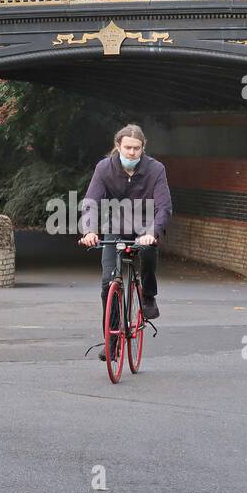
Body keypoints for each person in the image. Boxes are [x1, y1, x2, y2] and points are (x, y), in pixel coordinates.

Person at [78, 124, 172, 359]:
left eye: (137, 148)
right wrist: (89, 230)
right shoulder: (104, 168)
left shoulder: (155, 169)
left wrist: (153, 231)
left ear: (143, 148)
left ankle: (148, 295)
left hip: (145, 226)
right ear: (118, 146)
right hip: (116, 227)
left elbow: (164, 207)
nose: (132, 153)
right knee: (107, 282)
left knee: (149, 250)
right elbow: (91, 202)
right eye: (128, 148)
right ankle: (111, 342)